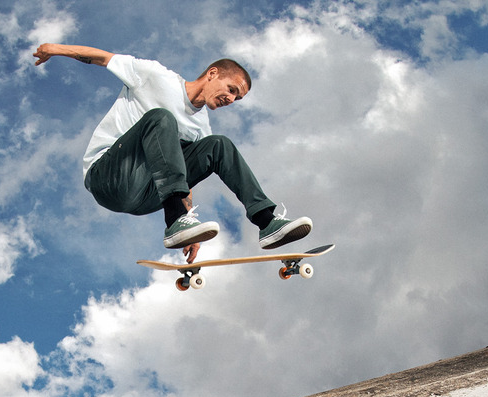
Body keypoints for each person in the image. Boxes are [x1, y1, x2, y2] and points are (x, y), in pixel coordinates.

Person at [33, 43, 313, 264]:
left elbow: (183, 179)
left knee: (219, 145)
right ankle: (174, 218)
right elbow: (102, 58)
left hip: (145, 198)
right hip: (107, 176)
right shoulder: (156, 76)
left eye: (236, 98)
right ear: (213, 73)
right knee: (162, 119)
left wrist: (190, 231)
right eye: (231, 90)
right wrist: (55, 49)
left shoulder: (201, 127)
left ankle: (266, 221)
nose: (231, 99)